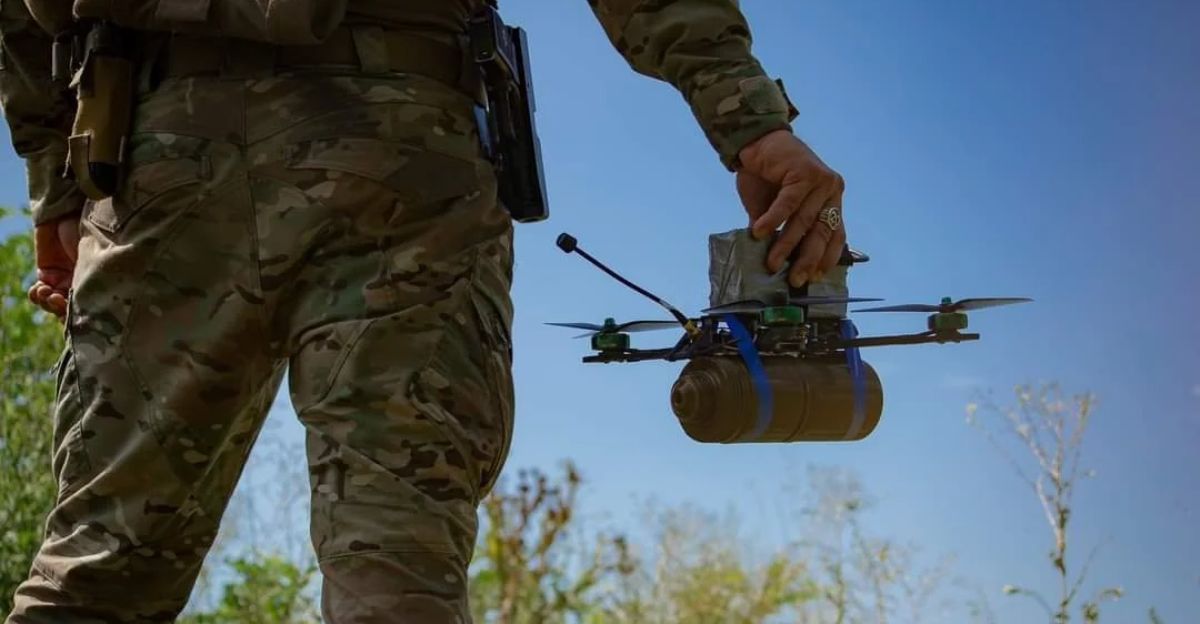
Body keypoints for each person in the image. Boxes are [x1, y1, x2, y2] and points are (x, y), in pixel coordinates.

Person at [1, 1, 847, 621]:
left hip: (154, 161)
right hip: (403, 161)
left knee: (95, 576)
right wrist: (750, 119)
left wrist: (57, 187)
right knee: (396, 580)